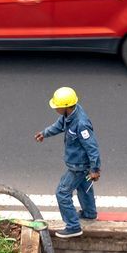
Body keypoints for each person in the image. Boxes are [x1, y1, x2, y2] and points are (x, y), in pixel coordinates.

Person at [34, 85, 99, 239]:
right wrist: (44, 133)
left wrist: (95, 169)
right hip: (79, 164)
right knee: (84, 188)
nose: (55, 109)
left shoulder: (81, 124)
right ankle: (89, 214)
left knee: (62, 193)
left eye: (57, 107)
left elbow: (92, 147)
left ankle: (73, 226)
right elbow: (59, 125)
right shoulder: (70, 115)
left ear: (66, 107)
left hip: (79, 165)